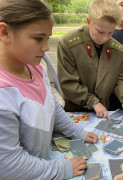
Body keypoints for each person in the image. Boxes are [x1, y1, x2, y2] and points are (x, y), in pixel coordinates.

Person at [0, 0, 98, 179]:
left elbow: (50, 104)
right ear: (5, 32)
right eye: (38, 38)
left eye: (47, 39)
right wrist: (62, 169)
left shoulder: (34, 66)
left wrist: (76, 132)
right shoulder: (3, 94)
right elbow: (8, 164)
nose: (45, 48)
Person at [57, 0, 123, 125]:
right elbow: (68, 83)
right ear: (89, 22)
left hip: (103, 114)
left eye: (110, 32)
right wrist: (93, 102)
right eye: (100, 31)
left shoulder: (117, 49)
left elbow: (119, 80)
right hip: (76, 113)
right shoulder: (69, 44)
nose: (105, 37)